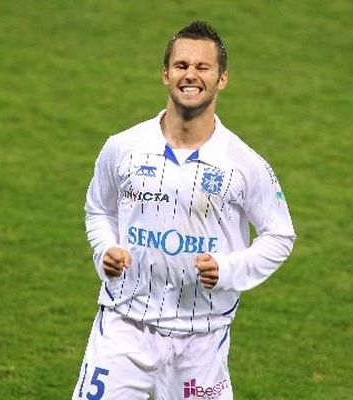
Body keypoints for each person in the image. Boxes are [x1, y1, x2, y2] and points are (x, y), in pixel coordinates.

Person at [72, 20, 295, 400]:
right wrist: (105, 250)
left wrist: (229, 270)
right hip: (124, 328)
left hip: (201, 342)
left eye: (203, 67)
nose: (190, 75)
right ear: (165, 74)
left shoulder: (243, 164)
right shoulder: (122, 147)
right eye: (181, 66)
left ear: (222, 79)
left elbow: (280, 235)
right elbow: (98, 210)